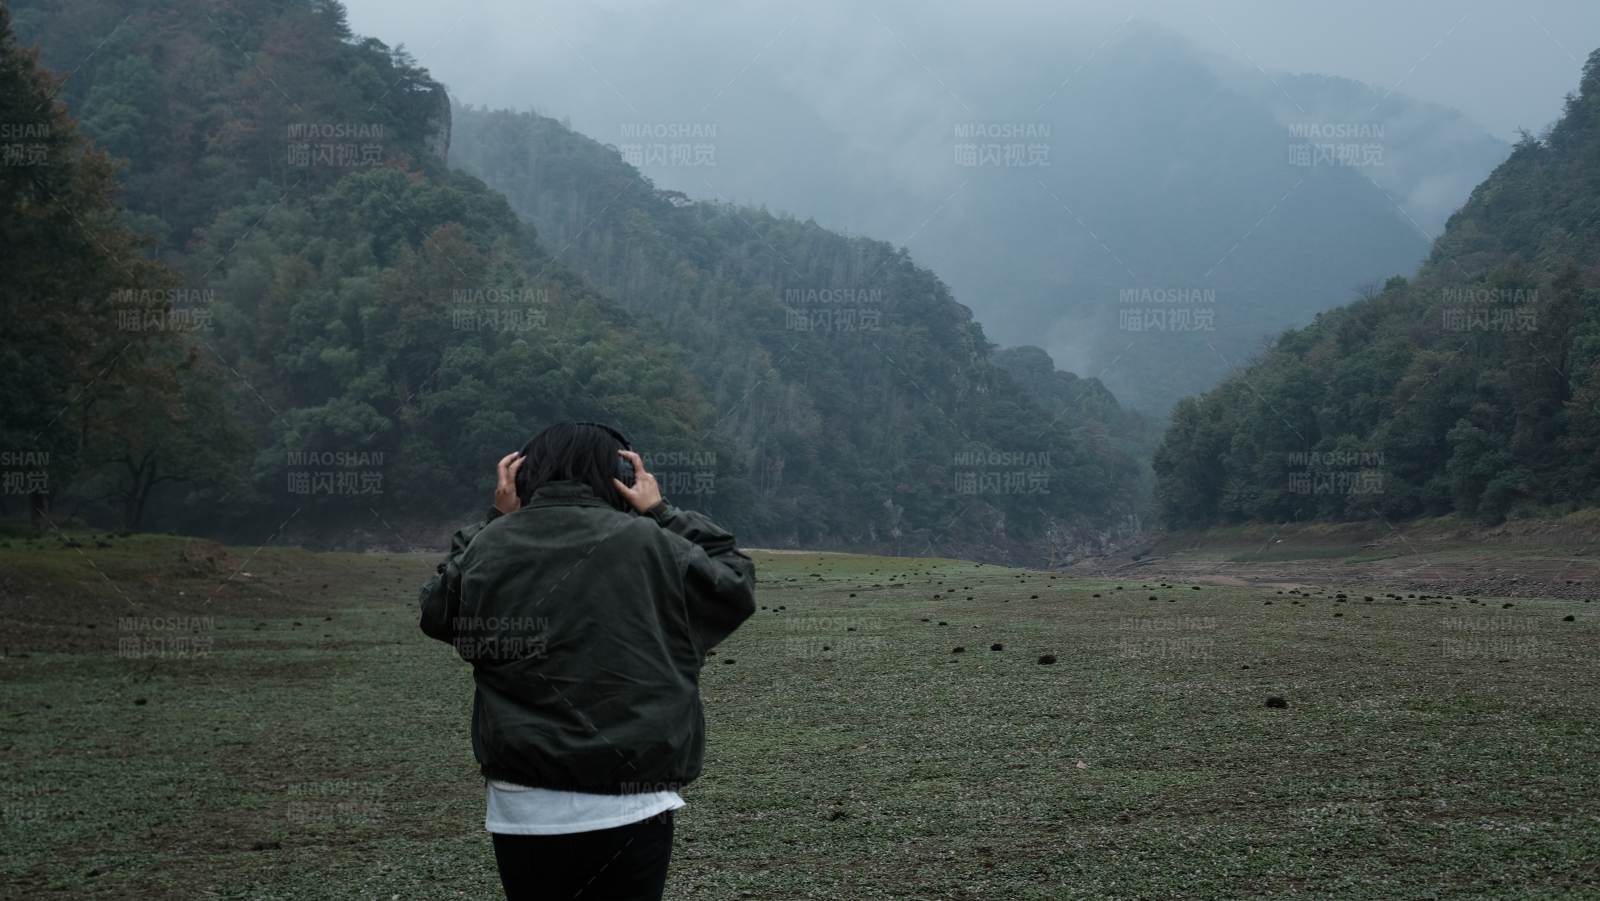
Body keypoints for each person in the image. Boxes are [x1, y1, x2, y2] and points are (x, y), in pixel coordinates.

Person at [419, 422, 756, 900]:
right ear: (620, 474)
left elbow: (437, 611)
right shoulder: (650, 541)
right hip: (634, 798)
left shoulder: (492, 544)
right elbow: (734, 585)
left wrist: (494, 520)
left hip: (523, 800)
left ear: (521, 477)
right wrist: (662, 512)